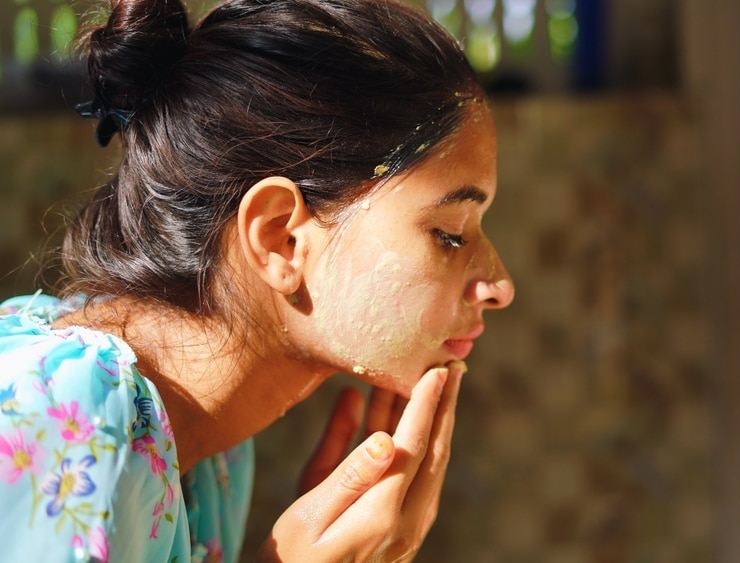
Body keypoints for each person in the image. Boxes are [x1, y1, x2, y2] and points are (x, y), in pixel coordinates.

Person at [0, 0, 515, 559]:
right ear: (279, 238)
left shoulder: (212, 455)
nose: (500, 285)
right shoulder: (61, 416)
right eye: (450, 232)